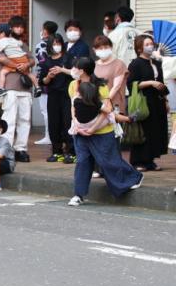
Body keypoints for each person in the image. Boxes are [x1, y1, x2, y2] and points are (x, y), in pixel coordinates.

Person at [68, 57, 143, 206]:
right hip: (80, 130)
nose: (73, 70)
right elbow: (73, 106)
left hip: (102, 130)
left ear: (82, 70)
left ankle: (134, 177)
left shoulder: (100, 87)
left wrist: (93, 128)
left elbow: (106, 112)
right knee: (82, 161)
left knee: (107, 161)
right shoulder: (72, 85)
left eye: (75, 67)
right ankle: (79, 194)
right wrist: (76, 124)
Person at [125, 34, 169, 172]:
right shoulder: (135, 63)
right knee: (143, 131)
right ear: (139, 48)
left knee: (156, 130)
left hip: (157, 101)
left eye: (151, 44)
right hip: (144, 101)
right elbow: (131, 84)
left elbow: (161, 82)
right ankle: (138, 161)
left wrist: (166, 100)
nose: (150, 46)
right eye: (147, 44)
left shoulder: (156, 63)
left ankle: (150, 160)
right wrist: (150, 83)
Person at [0, 24, 32, 162]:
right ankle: (7, 148)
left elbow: (32, 59)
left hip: (25, 87)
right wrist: (19, 66)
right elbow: (1, 59)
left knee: (25, 119)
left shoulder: (22, 45)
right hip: (9, 87)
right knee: (9, 119)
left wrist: (26, 65)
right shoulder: (1, 44)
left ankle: (21, 149)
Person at [39, 36, 75, 163]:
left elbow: (76, 73)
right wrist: (49, 76)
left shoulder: (68, 58)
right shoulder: (46, 62)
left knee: (68, 122)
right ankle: (56, 151)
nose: (56, 45)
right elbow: (42, 81)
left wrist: (62, 70)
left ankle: (71, 152)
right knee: (54, 123)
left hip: (67, 95)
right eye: (54, 43)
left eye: (58, 43)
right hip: (53, 95)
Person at [33, 21, 58, 147]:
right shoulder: (58, 43)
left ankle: (49, 136)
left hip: (44, 80)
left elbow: (42, 61)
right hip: (58, 79)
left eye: (43, 29)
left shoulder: (41, 44)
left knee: (46, 110)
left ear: (45, 31)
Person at [92, 34, 129, 115]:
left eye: (106, 47)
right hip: (98, 105)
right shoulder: (93, 65)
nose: (103, 50)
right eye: (100, 48)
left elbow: (116, 86)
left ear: (111, 47)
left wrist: (106, 100)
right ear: (94, 50)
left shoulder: (119, 64)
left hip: (114, 104)